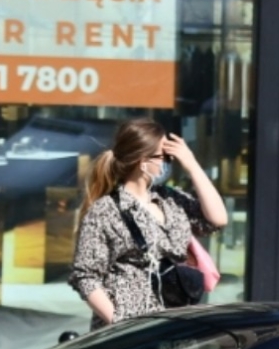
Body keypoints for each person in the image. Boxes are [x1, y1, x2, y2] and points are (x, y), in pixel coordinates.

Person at [68, 119, 228, 328]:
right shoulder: (106, 211)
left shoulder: (171, 200)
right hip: (130, 329)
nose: (167, 163)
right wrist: (120, 324)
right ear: (143, 161)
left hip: (175, 322)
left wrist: (192, 165)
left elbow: (217, 219)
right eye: (164, 156)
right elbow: (85, 276)